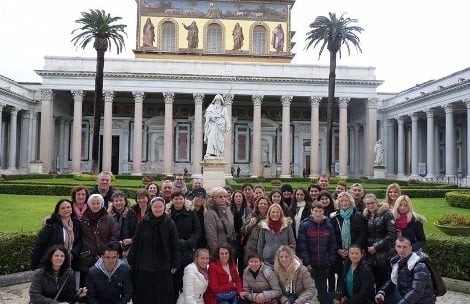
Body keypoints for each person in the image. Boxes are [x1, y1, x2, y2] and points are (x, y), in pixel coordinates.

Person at [127, 196, 180, 304]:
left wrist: (175, 263)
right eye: (155, 207)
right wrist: (131, 259)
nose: (158, 209)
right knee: (145, 293)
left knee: (162, 294)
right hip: (144, 264)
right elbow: (136, 241)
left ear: (164, 207)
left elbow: (174, 244)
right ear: (151, 207)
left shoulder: (170, 223)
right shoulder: (143, 223)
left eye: (160, 207)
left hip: (164, 265)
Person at [375, 237, 436, 304]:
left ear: (410, 248)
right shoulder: (397, 261)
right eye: (399, 246)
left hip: (422, 300)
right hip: (405, 295)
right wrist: (382, 292)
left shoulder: (420, 266)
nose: (401, 250)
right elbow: (393, 280)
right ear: (395, 247)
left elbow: (416, 291)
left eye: (405, 247)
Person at [296, 202, 337, 304]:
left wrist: (330, 260)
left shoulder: (328, 225)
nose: (318, 213)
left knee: (322, 288)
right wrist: (307, 262)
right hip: (310, 264)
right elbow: (302, 245)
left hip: (323, 263)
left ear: (323, 212)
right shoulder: (305, 225)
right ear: (311, 211)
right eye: (315, 211)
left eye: (320, 211)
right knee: (309, 288)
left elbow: (332, 244)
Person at [165, 190, 202, 302]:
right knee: (173, 282)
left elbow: (197, 230)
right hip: (171, 251)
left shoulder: (191, 212)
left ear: (184, 199)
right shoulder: (167, 213)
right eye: (176, 199)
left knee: (187, 281)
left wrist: (189, 242)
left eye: (180, 198)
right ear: (172, 200)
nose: (178, 201)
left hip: (187, 251)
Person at [78, 194, 119, 287]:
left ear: (102, 204)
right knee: (86, 286)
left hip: (104, 257)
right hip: (86, 257)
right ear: (88, 204)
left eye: (98, 203)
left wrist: (107, 252)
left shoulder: (109, 218)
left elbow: (114, 235)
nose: (95, 205)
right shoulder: (82, 219)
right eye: (93, 203)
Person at [31, 199, 81, 271]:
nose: (66, 210)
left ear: (72, 209)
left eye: (68, 207)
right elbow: (40, 244)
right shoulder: (51, 225)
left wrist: (73, 253)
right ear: (58, 211)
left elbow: (79, 241)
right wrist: (34, 265)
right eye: (62, 208)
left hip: (71, 262)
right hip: (52, 262)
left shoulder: (76, 224)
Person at [362, 193, 396, 289]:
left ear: (376, 202)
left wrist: (376, 247)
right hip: (370, 254)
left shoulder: (386, 214)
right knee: (372, 280)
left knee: (383, 280)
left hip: (385, 253)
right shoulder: (366, 216)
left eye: (372, 203)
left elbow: (391, 234)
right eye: (367, 204)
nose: (370, 205)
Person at [204, 187, 235, 255]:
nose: (223, 198)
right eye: (220, 197)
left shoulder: (228, 210)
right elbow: (211, 236)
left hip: (228, 247)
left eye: (225, 196)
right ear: (214, 198)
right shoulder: (210, 213)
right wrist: (216, 253)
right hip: (218, 249)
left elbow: (232, 229)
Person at [241, 196, 270, 265]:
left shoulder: (271, 218)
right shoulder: (252, 216)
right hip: (252, 249)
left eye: (265, 204)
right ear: (257, 205)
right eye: (261, 204)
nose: (262, 205)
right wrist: (250, 225)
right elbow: (243, 231)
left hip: (265, 250)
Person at [231, 189, 252, 276]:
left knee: (242, 261)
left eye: (240, 196)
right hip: (233, 238)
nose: (238, 198)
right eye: (236, 196)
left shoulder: (248, 210)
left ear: (243, 198)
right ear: (233, 198)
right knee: (233, 260)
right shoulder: (230, 209)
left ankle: (242, 278)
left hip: (244, 238)